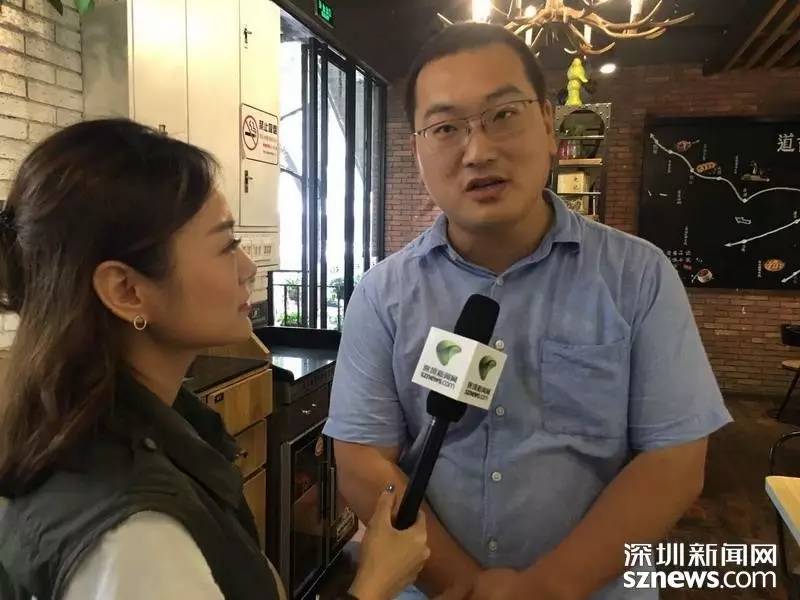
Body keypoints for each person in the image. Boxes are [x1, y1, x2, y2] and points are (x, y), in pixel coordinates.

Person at [323, 23, 733, 600]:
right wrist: (465, 586)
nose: (478, 151)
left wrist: (546, 588)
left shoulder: (638, 276)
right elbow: (362, 460)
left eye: (503, 115)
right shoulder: (382, 294)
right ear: (417, 150)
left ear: (547, 123)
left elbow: (675, 459)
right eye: (446, 128)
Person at [0, 118, 429, 600]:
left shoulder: (152, 426)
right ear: (126, 290)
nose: (248, 268)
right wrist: (374, 583)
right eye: (226, 246)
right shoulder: (136, 538)